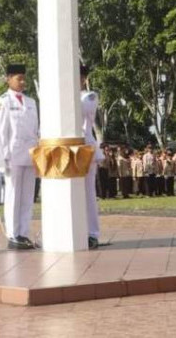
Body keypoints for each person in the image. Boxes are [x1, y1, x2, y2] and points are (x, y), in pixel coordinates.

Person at [0, 64, 39, 250]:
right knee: (13, 195)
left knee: (27, 196)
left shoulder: (31, 102)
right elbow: (1, 130)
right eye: (18, 78)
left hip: (30, 154)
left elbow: (35, 129)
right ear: (8, 79)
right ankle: (13, 234)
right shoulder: (3, 101)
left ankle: (23, 232)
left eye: (23, 78)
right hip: (12, 154)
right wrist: (2, 157)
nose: (22, 82)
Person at [80, 65, 103, 250]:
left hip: (86, 148)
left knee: (88, 193)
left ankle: (92, 234)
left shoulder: (89, 96)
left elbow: (80, 110)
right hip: (67, 149)